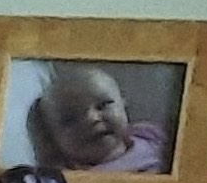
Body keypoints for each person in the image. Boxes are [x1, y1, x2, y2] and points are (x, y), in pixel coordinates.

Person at [28, 62, 171, 173]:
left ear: (123, 104)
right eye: (70, 119)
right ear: (53, 138)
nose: (92, 119)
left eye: (103, 105)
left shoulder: (148, 134)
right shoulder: (71, 177)